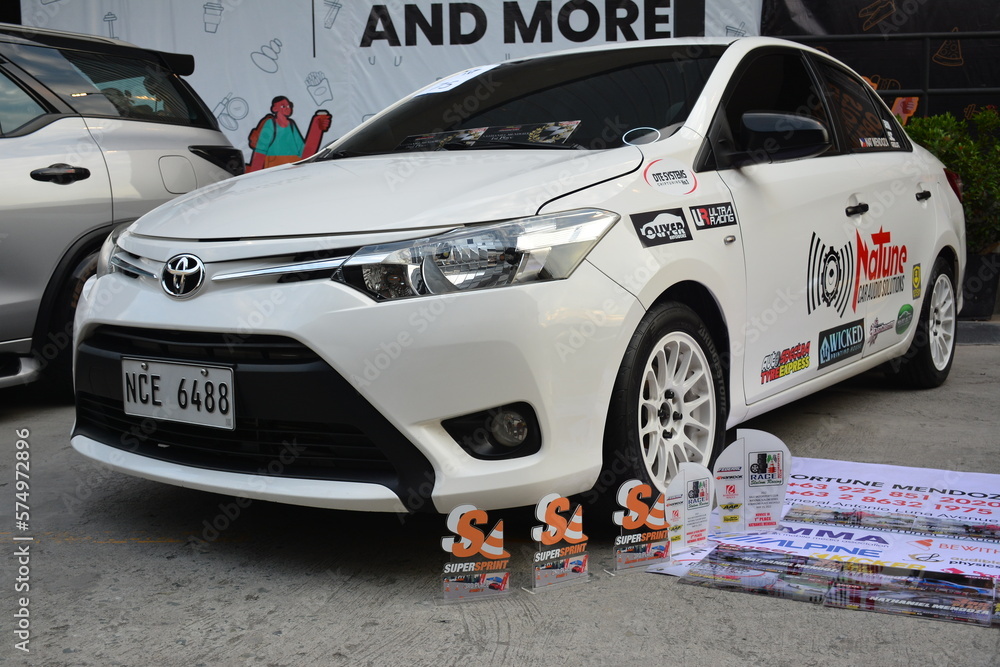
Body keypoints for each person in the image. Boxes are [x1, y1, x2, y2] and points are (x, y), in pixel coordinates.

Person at [247, 96, 331, 171]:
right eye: (283, 106)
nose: (287, 108)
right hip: (274, 169)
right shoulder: (270, 124)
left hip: (292, 168)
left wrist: (317, 127)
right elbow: (260, 150)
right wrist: (254, 173)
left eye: (288, 106)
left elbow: (304, 152)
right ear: (275, 109)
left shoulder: (291, 125)